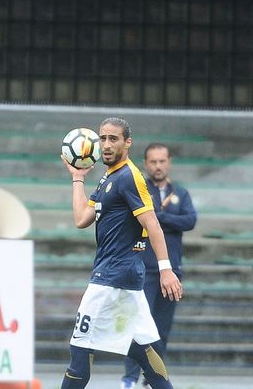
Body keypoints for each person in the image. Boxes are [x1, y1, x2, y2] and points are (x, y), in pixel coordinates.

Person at [59, 117, 183, 389]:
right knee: (144, 352)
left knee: (79, 353)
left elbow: (152, 223)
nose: (105, 145)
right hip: (125, 278)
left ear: (127, 143)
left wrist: (165, 269)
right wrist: (78, 178)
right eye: (102, 138)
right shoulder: (109, 177)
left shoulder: (130, 177)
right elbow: (82, 218)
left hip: (110, 278)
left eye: (113, 139)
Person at [120, 143, 197, 389]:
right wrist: (164, 221)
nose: (158, 166)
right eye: (153, 161)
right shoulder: (140, 189)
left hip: (171, 271)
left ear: (169, 162)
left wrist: (157, 218)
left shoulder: (181, 193)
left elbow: (190, 220)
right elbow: (134, 218)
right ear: (146, 163)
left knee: (162, 329)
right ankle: (130, 378)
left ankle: (152, 378)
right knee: (138, 326)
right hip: (144, 269)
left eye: (162, 161)